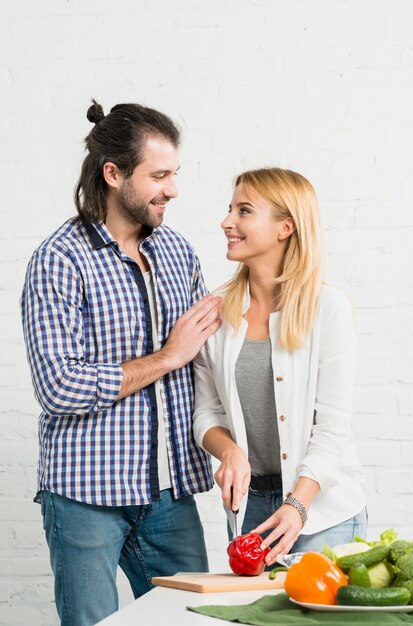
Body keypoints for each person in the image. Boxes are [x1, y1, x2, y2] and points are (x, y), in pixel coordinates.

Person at [20, 100, 222, 626]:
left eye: (174, 174)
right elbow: (60, 387)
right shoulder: (60, 259)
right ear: (113, 174)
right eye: (158, 175)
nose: (172, 189)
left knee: (197, 619)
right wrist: (167, 356)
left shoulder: (179, 254)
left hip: (169, 492)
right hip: (85, 497)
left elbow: (205, 367)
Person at [193, 167, 367, 567]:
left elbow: (332, 428)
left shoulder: (327, 309)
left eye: (244, 211)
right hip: (249, 509)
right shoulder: (214, 313)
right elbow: (206, 411)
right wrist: (230, 451)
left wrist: (298, 506)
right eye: (229, 209)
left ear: (285, 227)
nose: (227, 222)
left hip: (324, 512)